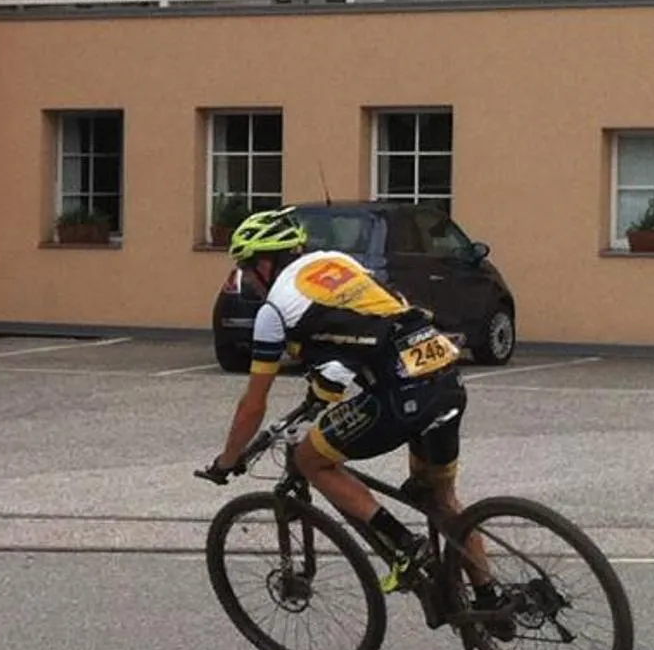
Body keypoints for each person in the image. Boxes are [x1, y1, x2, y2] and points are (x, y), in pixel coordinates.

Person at [203, 208, 498, 607]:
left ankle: (404, 546)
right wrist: (322, 393)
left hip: (400, 389)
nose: (250, 283)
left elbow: (253, 404)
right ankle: (490, 600)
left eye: (247, 269)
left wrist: (228, 460)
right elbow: (361, 329)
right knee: (441, 498)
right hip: (444, 371)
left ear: (265, 262)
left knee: (312, 460)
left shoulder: (274, 310)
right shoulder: (339, 263)